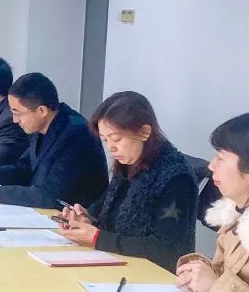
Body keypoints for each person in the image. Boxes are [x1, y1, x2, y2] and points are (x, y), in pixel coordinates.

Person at [57, 92, 197, 272]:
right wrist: (85, 218)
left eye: (116, 139)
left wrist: (97, 238)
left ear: (144, 132)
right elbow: (105, 212)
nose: (110, 148)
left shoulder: (176, 177)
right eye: (105, 140)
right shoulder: (128, 164)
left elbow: (168, 249)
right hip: (119, 264)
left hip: (154, 275)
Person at [0, 72, 107, 209]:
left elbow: (51, 195)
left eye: (17, 113)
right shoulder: (41, 126)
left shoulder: (76, 133)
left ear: (42, 111)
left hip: (71, 218)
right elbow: (23, 169)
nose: (14, 120)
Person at [176, 113, 249, 292]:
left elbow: (221, 287)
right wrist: (199, 271)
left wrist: (214, 287)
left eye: (221, 158)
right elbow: (228, 276)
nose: (211, 166)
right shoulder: (234, 215)